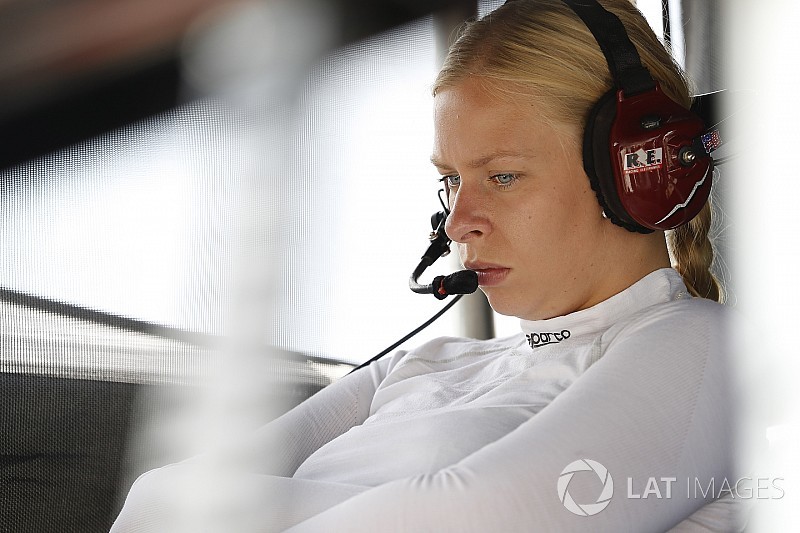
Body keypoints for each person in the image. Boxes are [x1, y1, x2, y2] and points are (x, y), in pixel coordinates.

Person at [111, 0, 743, 531]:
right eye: (452, 180)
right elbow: (156, 500)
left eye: (502, 176)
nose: (458, 220)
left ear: (639, 172)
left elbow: (473, 519)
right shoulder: (424, 362)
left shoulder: (709, 347)